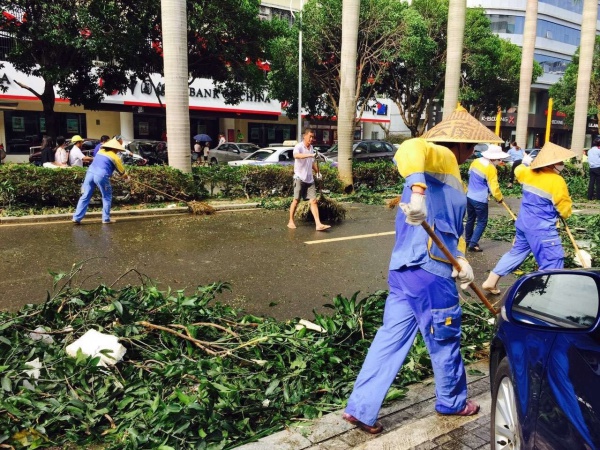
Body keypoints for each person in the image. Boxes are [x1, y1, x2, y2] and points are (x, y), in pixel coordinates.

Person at [342, 105, 501, 434]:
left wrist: (463, 261)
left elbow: (453, 231)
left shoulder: (449, 175)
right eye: (470, 147)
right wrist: (417, 192)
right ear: (458, 145)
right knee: (445, 339)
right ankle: (453, 402)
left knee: (390, 339)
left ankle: (360, 407)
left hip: (405, 271)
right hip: (429, 274)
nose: (471, 154)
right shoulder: (441, 158)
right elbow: (409, 147)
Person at [482, 142, 575, 295]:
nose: (562, 165)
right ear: (552, 164)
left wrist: (526, 162)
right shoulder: (556, 181)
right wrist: (564, 213)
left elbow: (518, 169)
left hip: (523, 224)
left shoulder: (528, 173)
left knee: (516, 253)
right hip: (542, 230)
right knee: (552, 261)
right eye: (560, 162)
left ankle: (491, 281)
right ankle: (544, 296)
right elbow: (564, 210)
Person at [72, 138, 129, 224]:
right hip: (101, 175)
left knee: (85, 195)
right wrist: (127, 178)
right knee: (107, 196)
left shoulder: (100, 152)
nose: (118, 151)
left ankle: (76, 218)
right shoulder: (115, 157)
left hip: (90, 173)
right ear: (114, 148)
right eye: (117, 149)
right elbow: (123, 173)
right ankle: (106, 219)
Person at [465, 145, 508, 252]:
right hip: (480, 198)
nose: (500, 161)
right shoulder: (490, 168)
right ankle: (473, 243)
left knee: (471, 219)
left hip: (469, 195)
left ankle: (468, 240)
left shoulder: (476, 161)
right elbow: (494, 187)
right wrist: (499, 198)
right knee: (482, 221)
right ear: (493, 158)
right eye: (499, 159)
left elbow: (469, 173)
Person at [287, 128, 331, 231]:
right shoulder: (299, 146)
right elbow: (296, 156)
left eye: (313, 137)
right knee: (296, 200)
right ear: (304, 136)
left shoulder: (311, 148)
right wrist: (310, 155)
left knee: (314, 201)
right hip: (299, 177)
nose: (311, 139)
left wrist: (318, 172)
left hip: (309, 178)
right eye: (310, 136)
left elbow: (311, 163)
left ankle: (318, 224)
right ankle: (290, 221)